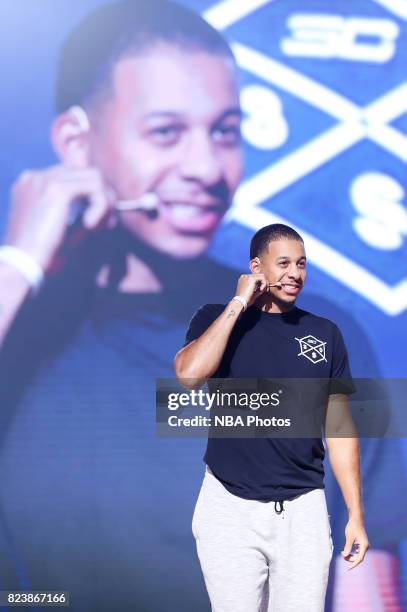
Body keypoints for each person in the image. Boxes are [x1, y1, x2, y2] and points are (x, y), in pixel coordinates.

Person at [0, 1, 242, 610]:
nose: (208, 168)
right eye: (166, 132)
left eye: (225, 131)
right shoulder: (20, 331)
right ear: (77, 144)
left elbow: (360, 568)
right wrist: (20, 259)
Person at [175, 223, 370, 612]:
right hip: (229, 506)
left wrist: (356, 515)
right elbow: (189, 375)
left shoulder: (324, 332)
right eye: (283, 263)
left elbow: (340, 429)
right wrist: (238, 304)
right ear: (256, 267)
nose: (294, 273)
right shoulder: (217, 318)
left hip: (303, 510)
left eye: (301, 264)